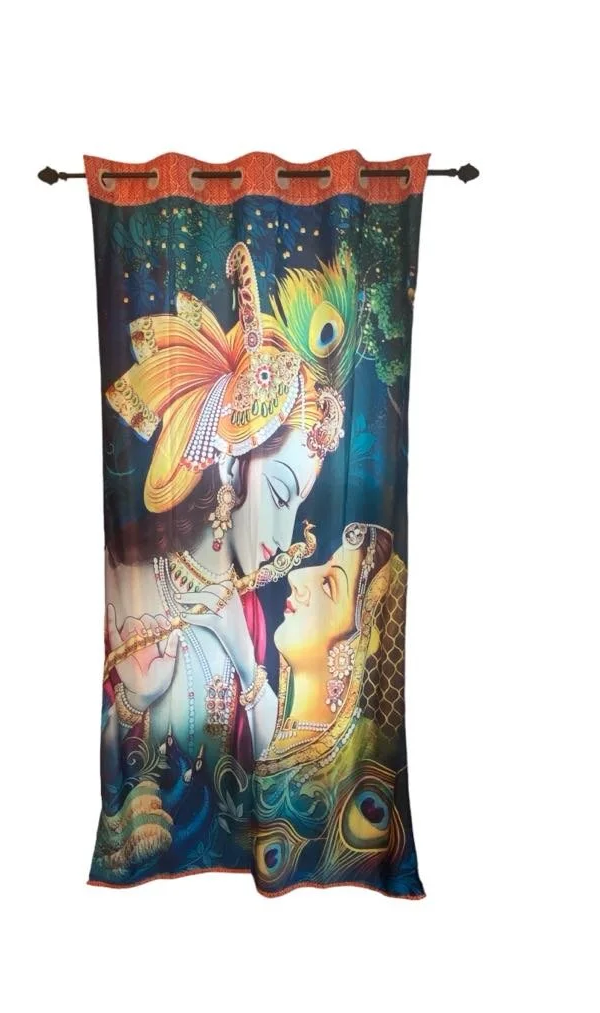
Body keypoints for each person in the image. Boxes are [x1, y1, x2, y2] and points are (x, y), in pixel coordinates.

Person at [96, 241, 361, 825]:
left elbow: (281, 790)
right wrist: (134, 697)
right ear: (231, 468)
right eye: (282, 494)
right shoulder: (123, 573)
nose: (285, 538)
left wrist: (246, 662)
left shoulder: (257, 623)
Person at [251, 522, 425, 898]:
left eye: (330, 585)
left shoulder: (368, 758)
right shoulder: (258, 723)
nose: (296, 577)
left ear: (361, 639)